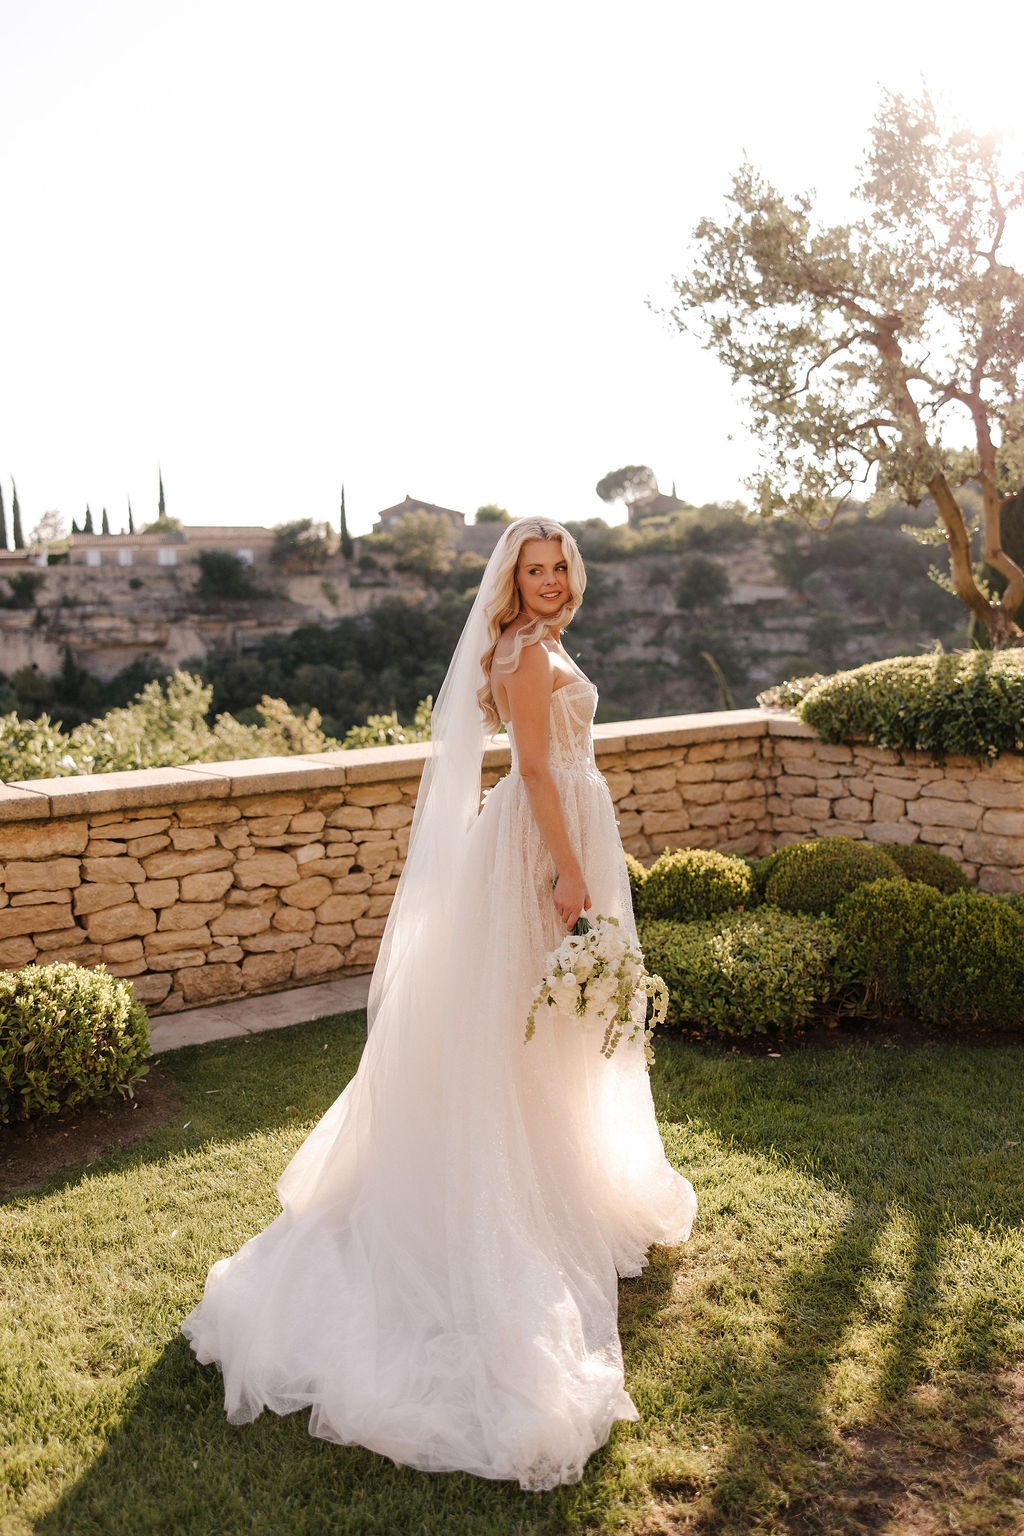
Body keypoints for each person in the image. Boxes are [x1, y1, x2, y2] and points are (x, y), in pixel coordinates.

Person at [182, 518, 696, 1491]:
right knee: (525, 1028)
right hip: (543, 845)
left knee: (543, 1032)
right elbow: (538, 769)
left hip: (557, 829)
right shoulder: (522, 658)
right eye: (532, 570)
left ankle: (560, 1176)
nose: (548, 582)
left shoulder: (535, 647)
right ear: (511, 581)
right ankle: (510, 1196)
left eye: (558, 568)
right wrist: (571, 878)